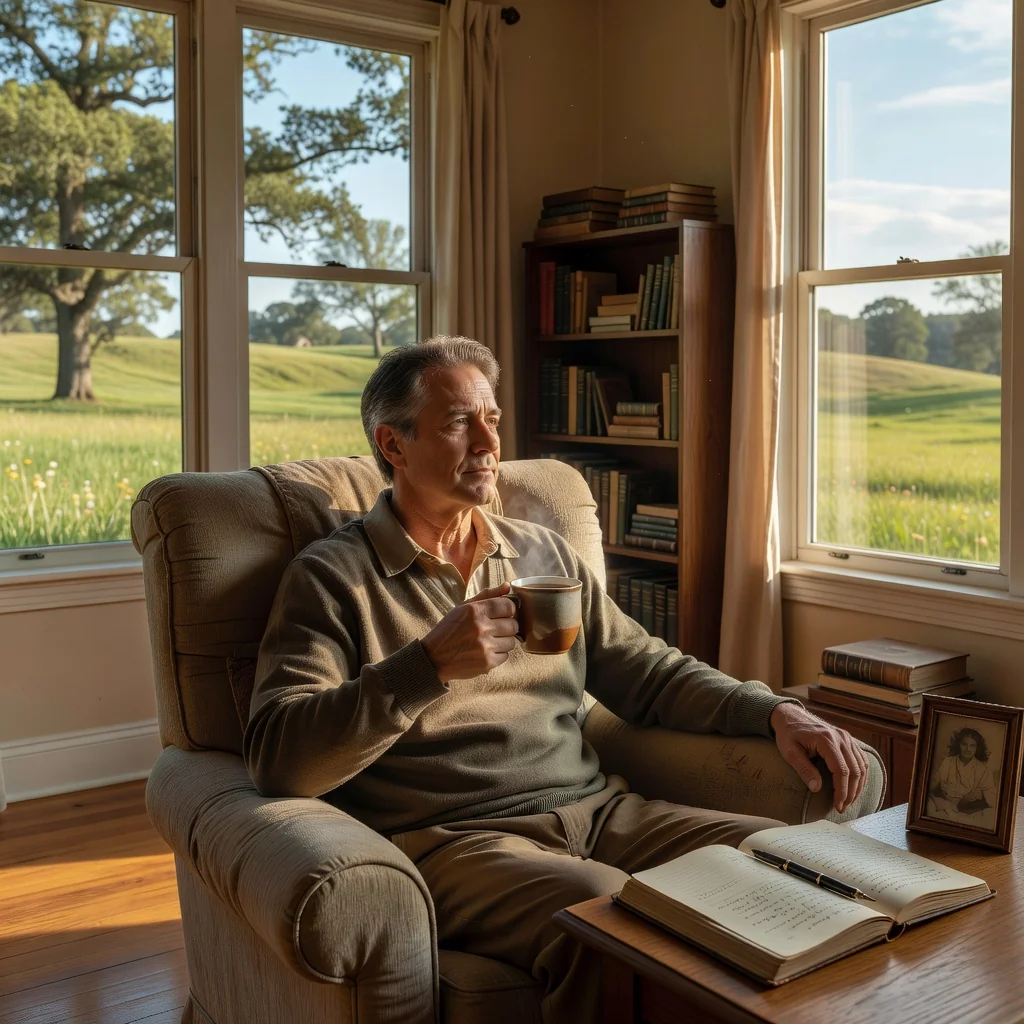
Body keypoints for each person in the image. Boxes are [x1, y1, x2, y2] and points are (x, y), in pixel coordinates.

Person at [244, 335, 869, 1023]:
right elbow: (279, 760)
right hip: (458, 841)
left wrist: (773, 712)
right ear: (393, 446)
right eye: (459, 423)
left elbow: (648, 672)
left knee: (789, 868)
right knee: (609, 915)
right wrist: (426, 667)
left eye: (493, 418)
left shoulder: (538, 549)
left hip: (602, 813)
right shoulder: (333, 579)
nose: (488, 442)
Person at [927, 727, 997, 821]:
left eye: (972, 746)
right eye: (964, 744)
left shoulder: (983, 770)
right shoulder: (948, 762)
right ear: (958, 745)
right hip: (946, 808)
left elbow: (993, 797)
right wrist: (937, 800)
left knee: (990, 815)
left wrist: (980, 794)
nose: (968, 749)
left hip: (970, 812)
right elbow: (930, 787)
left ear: (977, 748)